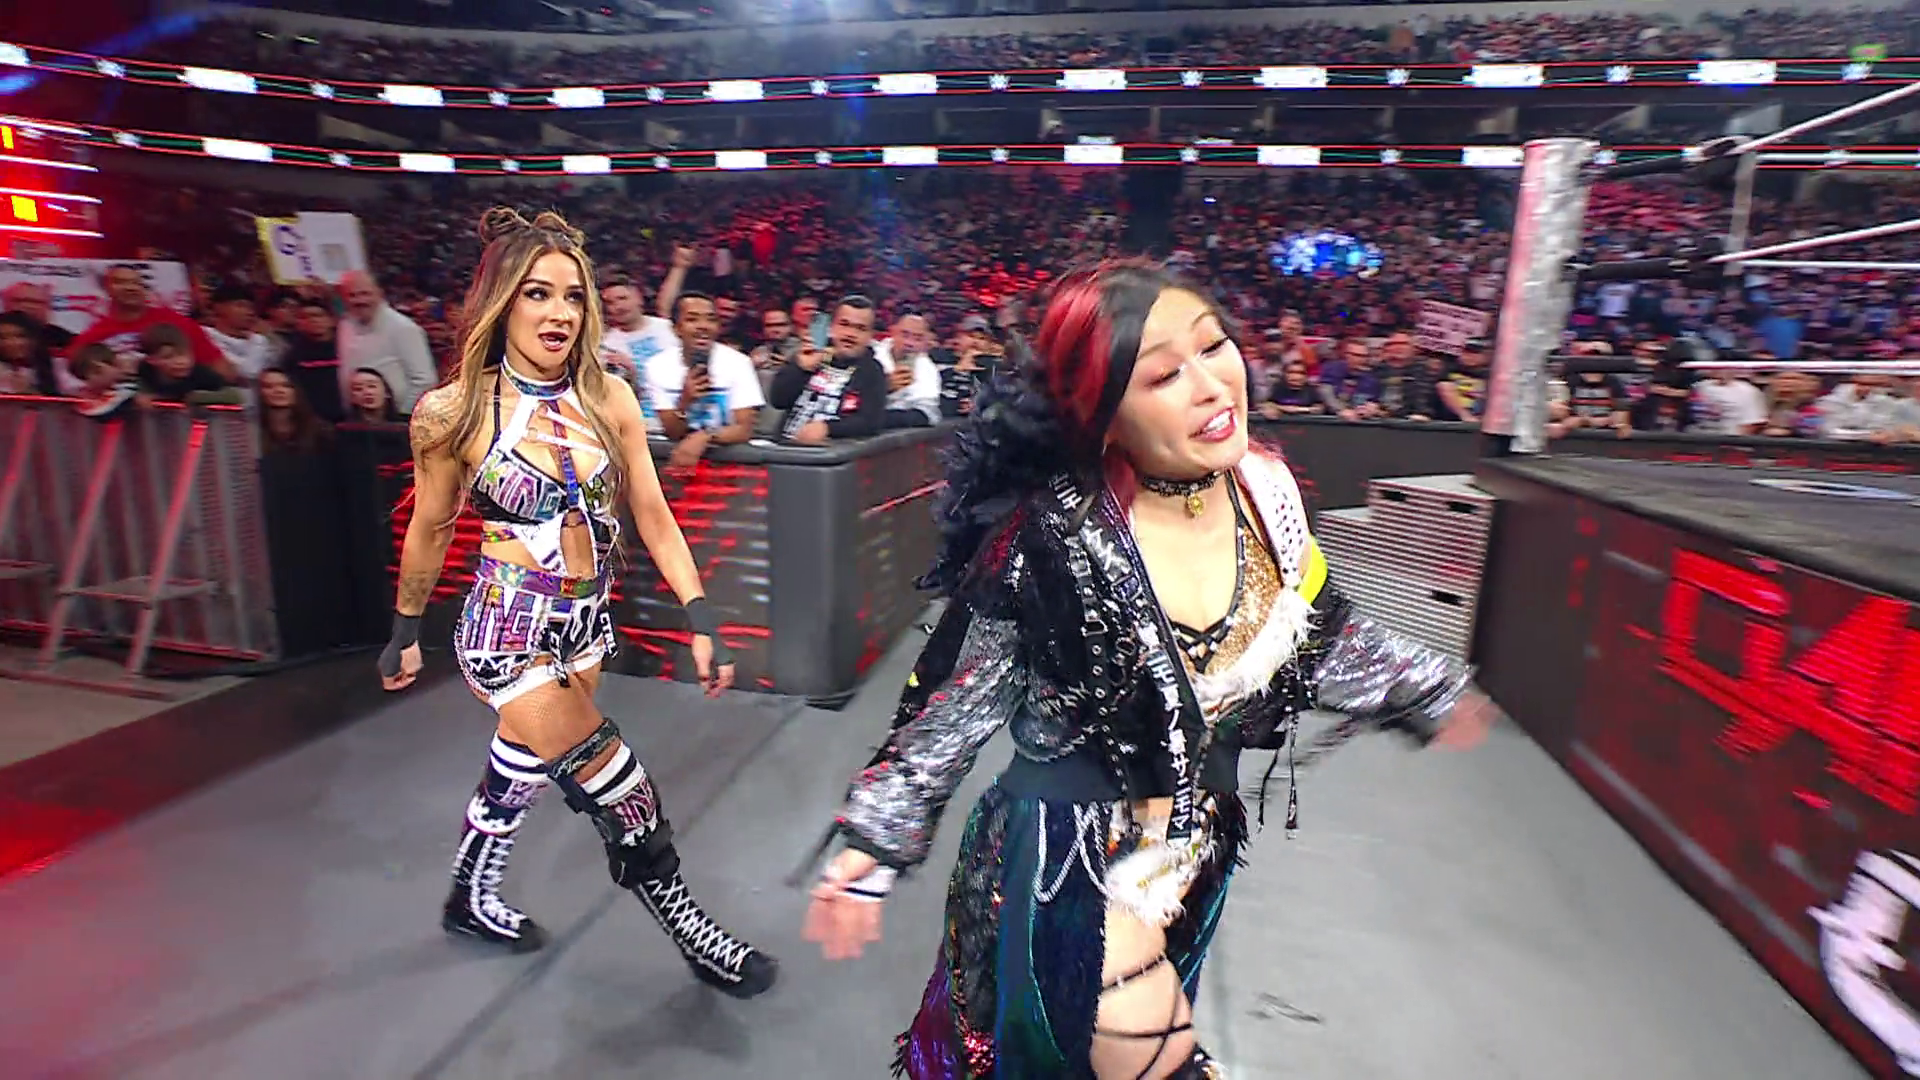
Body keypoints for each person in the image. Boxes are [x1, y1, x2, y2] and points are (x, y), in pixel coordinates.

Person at [802, 261, 1497, 1078]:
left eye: (1215, 346)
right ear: (1102, 416)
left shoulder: (1267, 497)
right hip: (1072, 857)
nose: (1212, 385)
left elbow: (1321, 635)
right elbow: (957, 704)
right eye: (1165, 375)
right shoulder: (1050, 540)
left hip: (1198, 846)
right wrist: (876, 839)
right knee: (1143, 1056)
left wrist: (1426, 688)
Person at [378, 207, 777, 999]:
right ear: (502, 301)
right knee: (621, 787)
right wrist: (405, 629)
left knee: (519, 767)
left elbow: (653, 515)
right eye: (537, 293)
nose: (559, 311)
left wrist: (701, 616)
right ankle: (694, 934)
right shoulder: (452, 411)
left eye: (572, 295)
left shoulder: (610, 397)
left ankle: (468, 896)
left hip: (585, 627)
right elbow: (430, 527)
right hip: (506, 633)